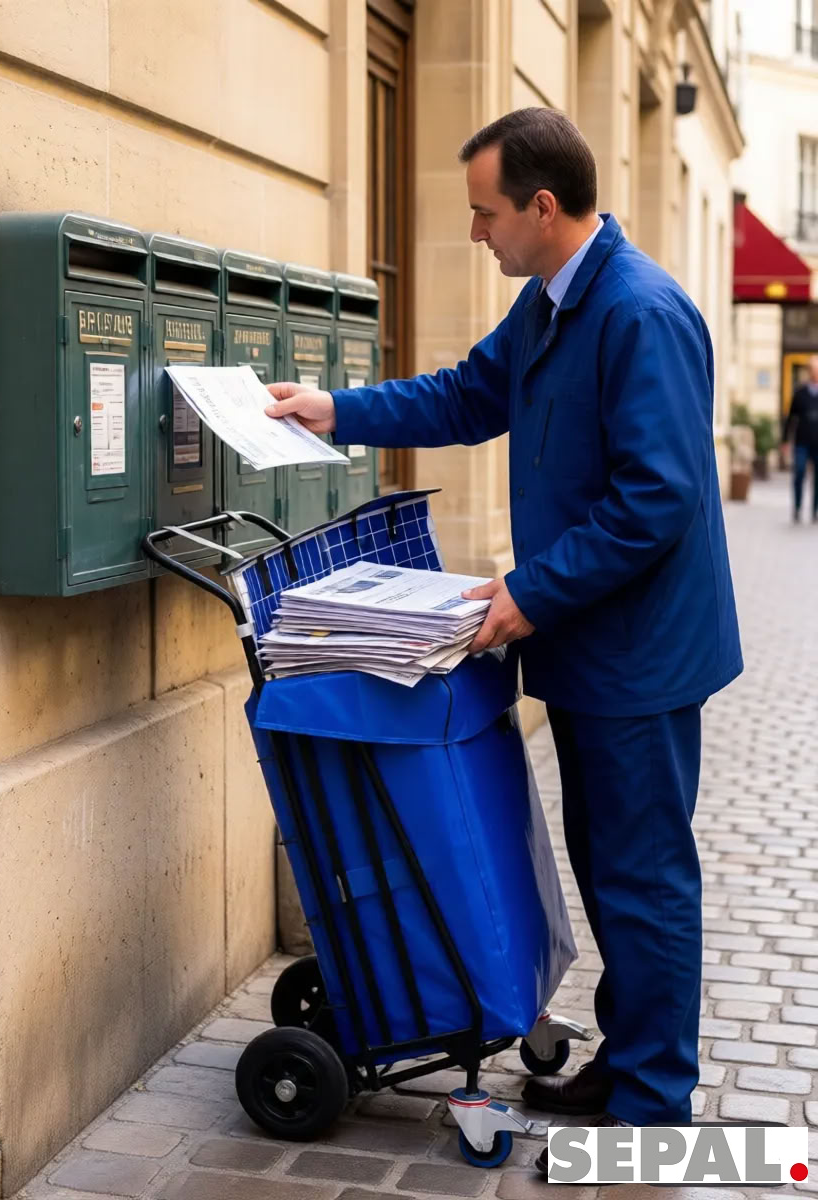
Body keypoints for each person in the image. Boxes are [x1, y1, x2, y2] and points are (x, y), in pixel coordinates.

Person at [265, 107, 742, 1174]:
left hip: (642, 659)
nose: (473, 231)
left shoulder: (639, 313)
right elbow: (468, 394)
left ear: (540, 206)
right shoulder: (549, 307)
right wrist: (332, 409)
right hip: (590, 649)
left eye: (484, 212)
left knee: (644, 872)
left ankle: (654, 1109)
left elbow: (656, 499)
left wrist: (529, 593)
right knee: (605, 858)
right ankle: (633, 1059)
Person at [782, 355, 818, 522]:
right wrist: (785, 441)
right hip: (802, 441)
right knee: (799, 472)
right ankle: (797, 507)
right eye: (812, 369)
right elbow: (790, 418)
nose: (815, 373)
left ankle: (815, 511)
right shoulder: (800, 393)